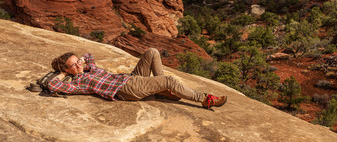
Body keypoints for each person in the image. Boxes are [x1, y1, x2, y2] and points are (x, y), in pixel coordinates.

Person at [49, 48, 227, 109]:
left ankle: (164, 90)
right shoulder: (78, 82)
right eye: (74, 65)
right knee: (169, 80)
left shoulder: (89, 68)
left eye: (78, 62)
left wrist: (79, 60)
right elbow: (54, 85)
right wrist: (63, 74)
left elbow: (89, 55)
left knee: (152, 52)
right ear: (67, 70)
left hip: (129, 79)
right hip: (126, 89)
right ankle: (204, 99)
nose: (79, 65)